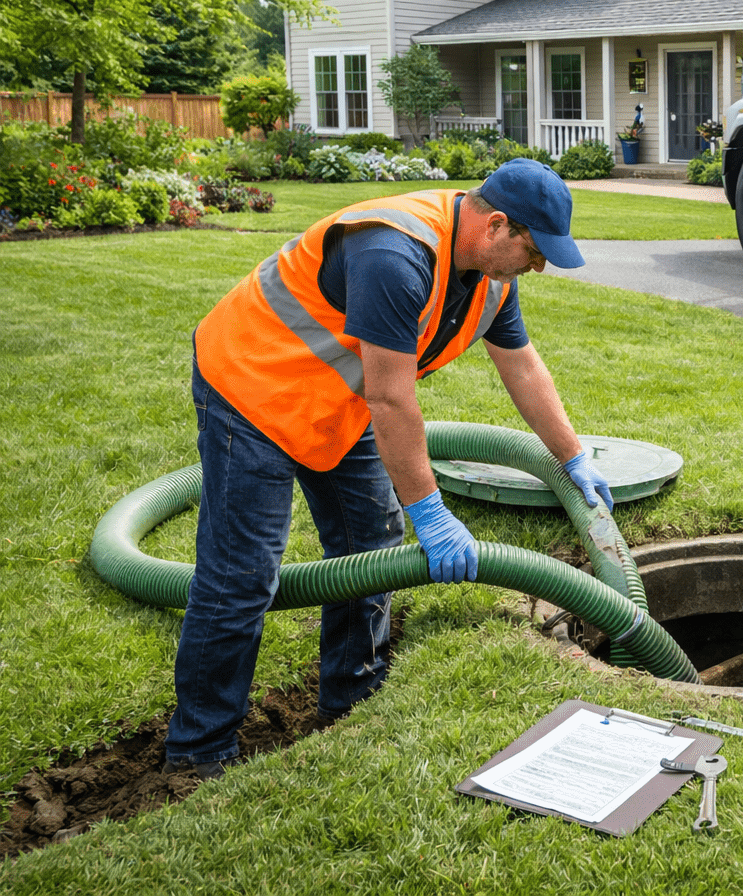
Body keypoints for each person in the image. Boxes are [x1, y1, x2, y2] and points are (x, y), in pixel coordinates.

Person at [163, 159, 612, 778]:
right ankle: (199, 750)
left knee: (369, 545)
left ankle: (352, 699)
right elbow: (392, 399)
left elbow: (523, 366)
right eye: (535, 251)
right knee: (242, 577)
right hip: (253, 387)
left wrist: (572, 456)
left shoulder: (490, 279)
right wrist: (429, 511)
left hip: (336, 397)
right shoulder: (393, 255)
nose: (539, 267)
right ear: (497, 226)